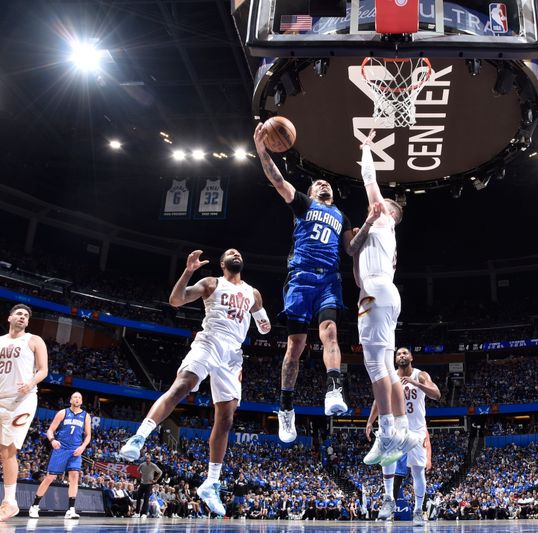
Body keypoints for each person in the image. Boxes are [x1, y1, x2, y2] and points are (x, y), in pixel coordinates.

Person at [119, 249, 271, 516]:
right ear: (223, 263)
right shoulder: (212, 282)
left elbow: (264, 326)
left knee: (226, 418)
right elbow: (176, 300)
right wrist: (188, 271)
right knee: (182, 386)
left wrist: (263, 321)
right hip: (210, 341)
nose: (235, 253)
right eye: (229, 253)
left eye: (238, 252)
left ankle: (211, 483)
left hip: (233, 355)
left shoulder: (253, 293)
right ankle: (139, 437)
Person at [253, 123, 357, 443]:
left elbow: (353, 250)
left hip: (328, 280)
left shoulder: (342, 217)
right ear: (311, 193)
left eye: (326, 182)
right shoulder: (302, 204)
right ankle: (286, 407)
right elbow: (277, 180)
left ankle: (333, 390)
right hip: (300, 278)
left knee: (330, 334)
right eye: (317, 183)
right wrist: (262, 152)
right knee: (295, 347)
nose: (323, 182)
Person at [353, 133, 423, 473]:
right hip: (386, 293)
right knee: (384, 365)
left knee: (374, 365)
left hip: (376, 293)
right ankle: (400, 432)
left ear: (388, 211)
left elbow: (369, 179)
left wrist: (366, 149)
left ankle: (389, 432)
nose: (374, 203)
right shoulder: (381, 235)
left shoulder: (381, 218)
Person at [366, 348, 440, 525]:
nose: (401, 356)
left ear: (411, 357)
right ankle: (388, 498)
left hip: (416, 430)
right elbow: (379, 400)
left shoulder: (420, 375)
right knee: (387, 458)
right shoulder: (390, 377)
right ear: (395, 358)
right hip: (396, 427)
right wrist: (370, 421)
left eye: (405, 353)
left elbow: (436, 395)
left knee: (417, 471)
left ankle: (418, 510)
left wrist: (417, 384)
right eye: (398, 354)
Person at [0, 303, 48, 521]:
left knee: (8, 449)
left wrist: (30, 383)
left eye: (26, 315)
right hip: (1, 399)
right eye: (19, 313)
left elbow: (43, 370)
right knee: (3, 452)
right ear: (9, 318)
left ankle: (9, 502)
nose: (22, 317)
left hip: (23, 401)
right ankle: (10, 502)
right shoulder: (0, 341)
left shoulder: (34, 340)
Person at [29, 391, 91, 519]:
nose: (77, 399)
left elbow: (88, 435)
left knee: (74, 477)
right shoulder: (63, 413)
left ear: (82, 401)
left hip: (75, 450)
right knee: (50, 477)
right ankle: (34, 506)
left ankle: (70, 510)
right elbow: (50, 430)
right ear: (70, 400)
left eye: (79, 397)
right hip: (61, 449)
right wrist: (52, 440)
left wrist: (82, 447)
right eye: (75, 397)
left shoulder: (86, 416)